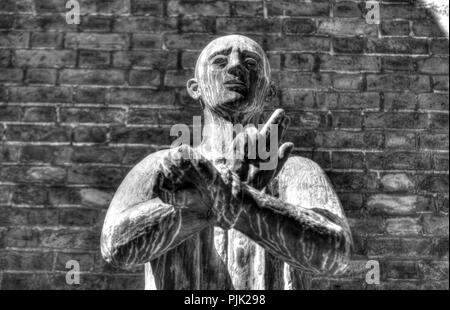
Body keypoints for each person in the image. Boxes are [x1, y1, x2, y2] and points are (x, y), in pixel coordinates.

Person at [101, 35, 352, 290]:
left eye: (251, 63)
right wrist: (218, 192)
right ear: (195, 87)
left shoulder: (295, 171)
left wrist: (237, 197)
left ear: (269, 91)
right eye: (220, 61)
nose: (235, 66)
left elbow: (336, 256)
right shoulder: (164, 166)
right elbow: (116, 248)